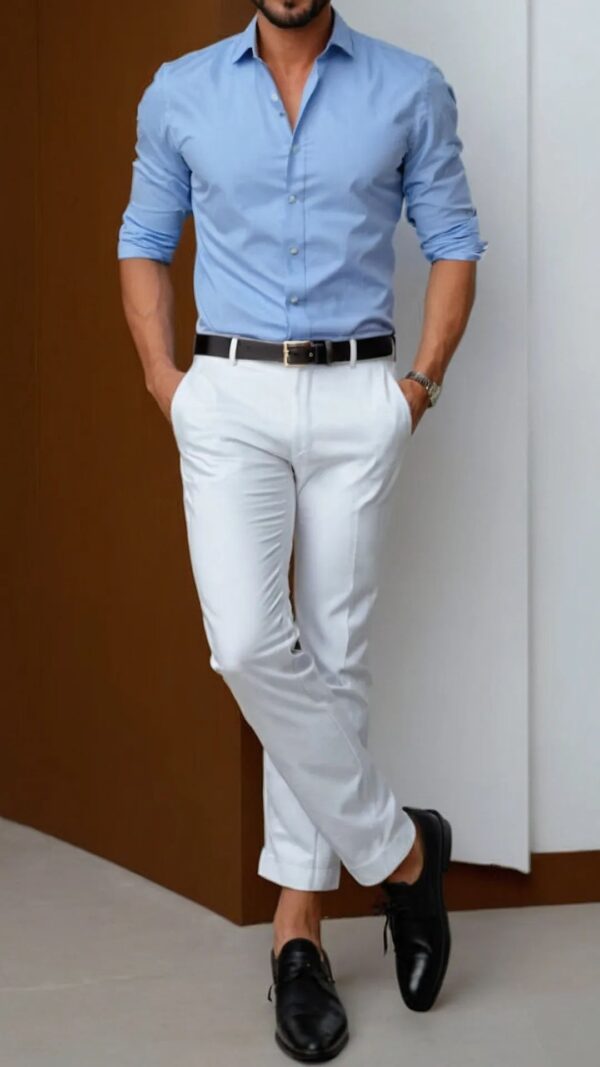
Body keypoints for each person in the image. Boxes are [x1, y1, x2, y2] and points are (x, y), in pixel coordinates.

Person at [117, 2, 487, 1060]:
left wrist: (417, 388)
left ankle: (298, 932)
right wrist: (167, 384)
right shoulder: (180, 90)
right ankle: (405, 853)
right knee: (247, 641)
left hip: (360, 391)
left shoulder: (409, 87)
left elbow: (454, 242)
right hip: (228, 392)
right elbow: (144, 240)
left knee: (333, 657)